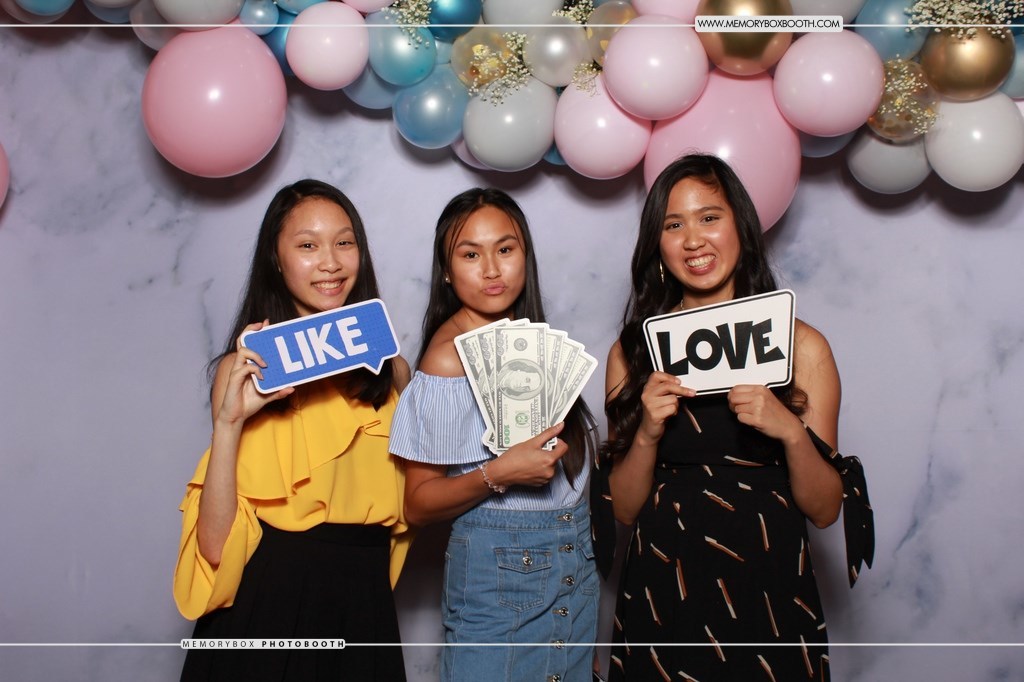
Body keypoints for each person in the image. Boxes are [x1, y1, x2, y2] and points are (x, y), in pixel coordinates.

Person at [603, 154, 847, 681]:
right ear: (657, 244)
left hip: (770, 594)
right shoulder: (632, 353)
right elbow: (622, 508)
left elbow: (827, 509)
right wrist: (646, 433)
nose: (693, 240)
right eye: (674, 225)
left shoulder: (803, 346)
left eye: (709, 217)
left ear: (741, 225)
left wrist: (790, 432)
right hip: (663, 592)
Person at [173, 179, 412, 681]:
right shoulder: (244, 370)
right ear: (276, 260)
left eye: (344, 242)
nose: (331, 263)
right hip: (268, 602)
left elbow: (411, 508)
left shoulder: (392, 371)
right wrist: (229, 423)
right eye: (307, 245)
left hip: (363, 601)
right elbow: (215, 548)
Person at [389, 188, 600, 682]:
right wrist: (498, 473)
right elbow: (417, 503)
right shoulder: (448, 359)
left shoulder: (530, 339)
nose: (491, 269)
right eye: (470, 254)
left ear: (525, 254)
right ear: (446, 270)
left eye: (505, 249)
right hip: (501, 575)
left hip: (574, 569)